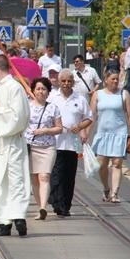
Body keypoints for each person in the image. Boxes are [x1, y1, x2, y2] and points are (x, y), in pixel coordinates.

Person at [0, 55, 31, 237]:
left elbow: (19, 117)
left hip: (12, 142)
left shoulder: (15, 88)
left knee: (15, 179)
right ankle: (4, 221)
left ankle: (18, 216)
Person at [88, 70, 130, 203]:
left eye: (117, 79)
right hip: (102, 134)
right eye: (113, 79)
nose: (115, 81)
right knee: (102, 164)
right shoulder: (97, 94)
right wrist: (86, 134)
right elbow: (92, 116)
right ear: (106, 80)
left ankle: (115, 193)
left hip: (119, 133)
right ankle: (106, 188)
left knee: (117, 163)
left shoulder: (124, 94)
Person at [49, 69, 92, 217]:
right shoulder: (52, 97)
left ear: (73, 82)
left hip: (73, 144)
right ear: (59, 82)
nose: (66, 84)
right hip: (55, 142)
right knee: (56, 174)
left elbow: (89, 118)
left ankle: (66, 205)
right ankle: (56, 202)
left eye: (69, 81)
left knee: (69, 176)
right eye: (63, 81)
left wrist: (79, 127)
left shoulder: (80, 99)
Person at [25, 77, 62, 220]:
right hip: (30, 146)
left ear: (48, 92)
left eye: (44, 89)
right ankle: (39, 206)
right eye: (38, 89)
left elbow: (59, 128)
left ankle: (43, 207)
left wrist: (45, 130)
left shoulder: (53, 108)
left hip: (47, 147)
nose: (41, 91)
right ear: (33, 91)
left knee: (44, 176)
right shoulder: (27, 106)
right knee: (34, 179)